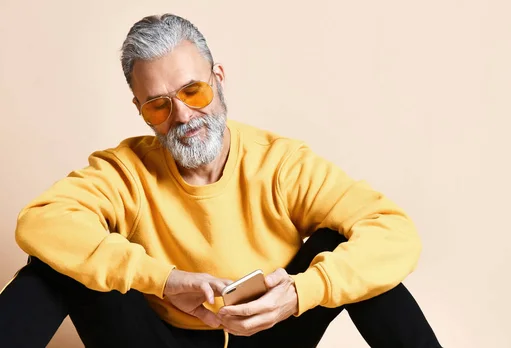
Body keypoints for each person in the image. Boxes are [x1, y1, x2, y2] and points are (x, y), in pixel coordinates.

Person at [0, 13, 442, 348]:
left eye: (194, 91)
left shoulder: (281, 163)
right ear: (139, 110)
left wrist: (301, 293)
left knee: (347, 253)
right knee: (57, 261)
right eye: (159, 105)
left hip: (271, 336)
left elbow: (395, 233)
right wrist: (163, 279)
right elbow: (41, 221)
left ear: (219, 78)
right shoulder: (125, 169)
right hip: (155, 339)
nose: (183, 116)